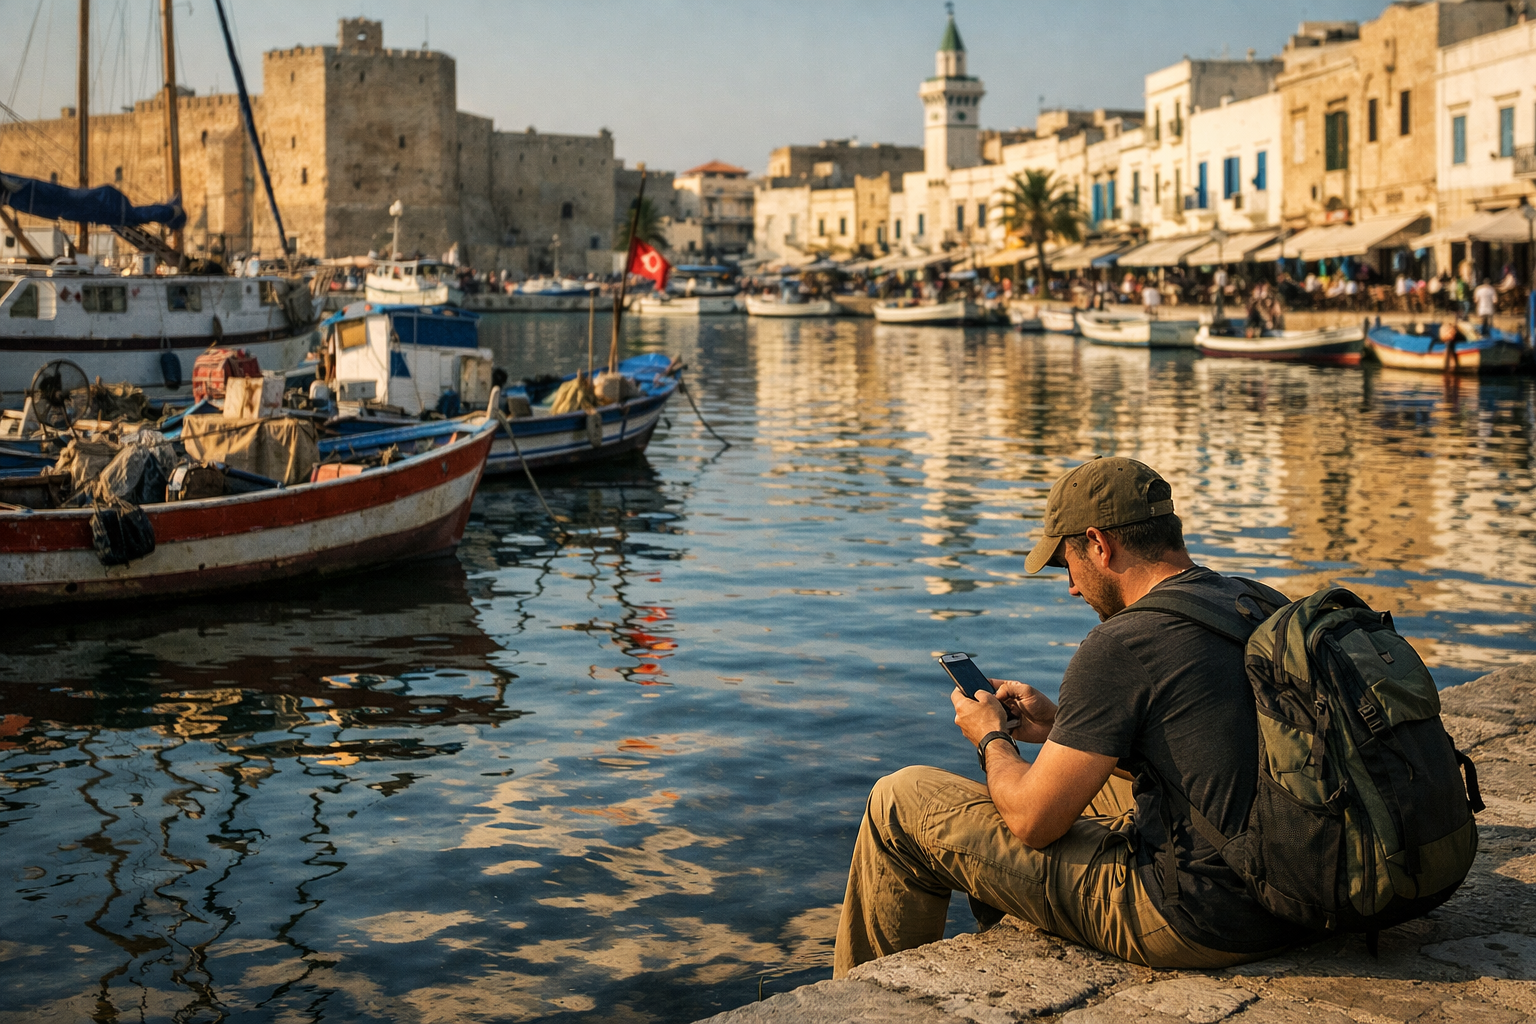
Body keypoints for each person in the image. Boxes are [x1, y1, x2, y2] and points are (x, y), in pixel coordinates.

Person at [835, 458, 1314, 976]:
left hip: (1200, 919)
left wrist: (991, 737)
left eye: (1067, 564)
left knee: (899, 802)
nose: (1071, 587)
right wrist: (1060, 726)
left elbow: (1033, 822)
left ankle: (863, 1002)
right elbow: (1215, 749)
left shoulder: (1122, 643)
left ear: (1099, 544)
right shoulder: (1257, 601)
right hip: (1295, 896)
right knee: (1062, 784)